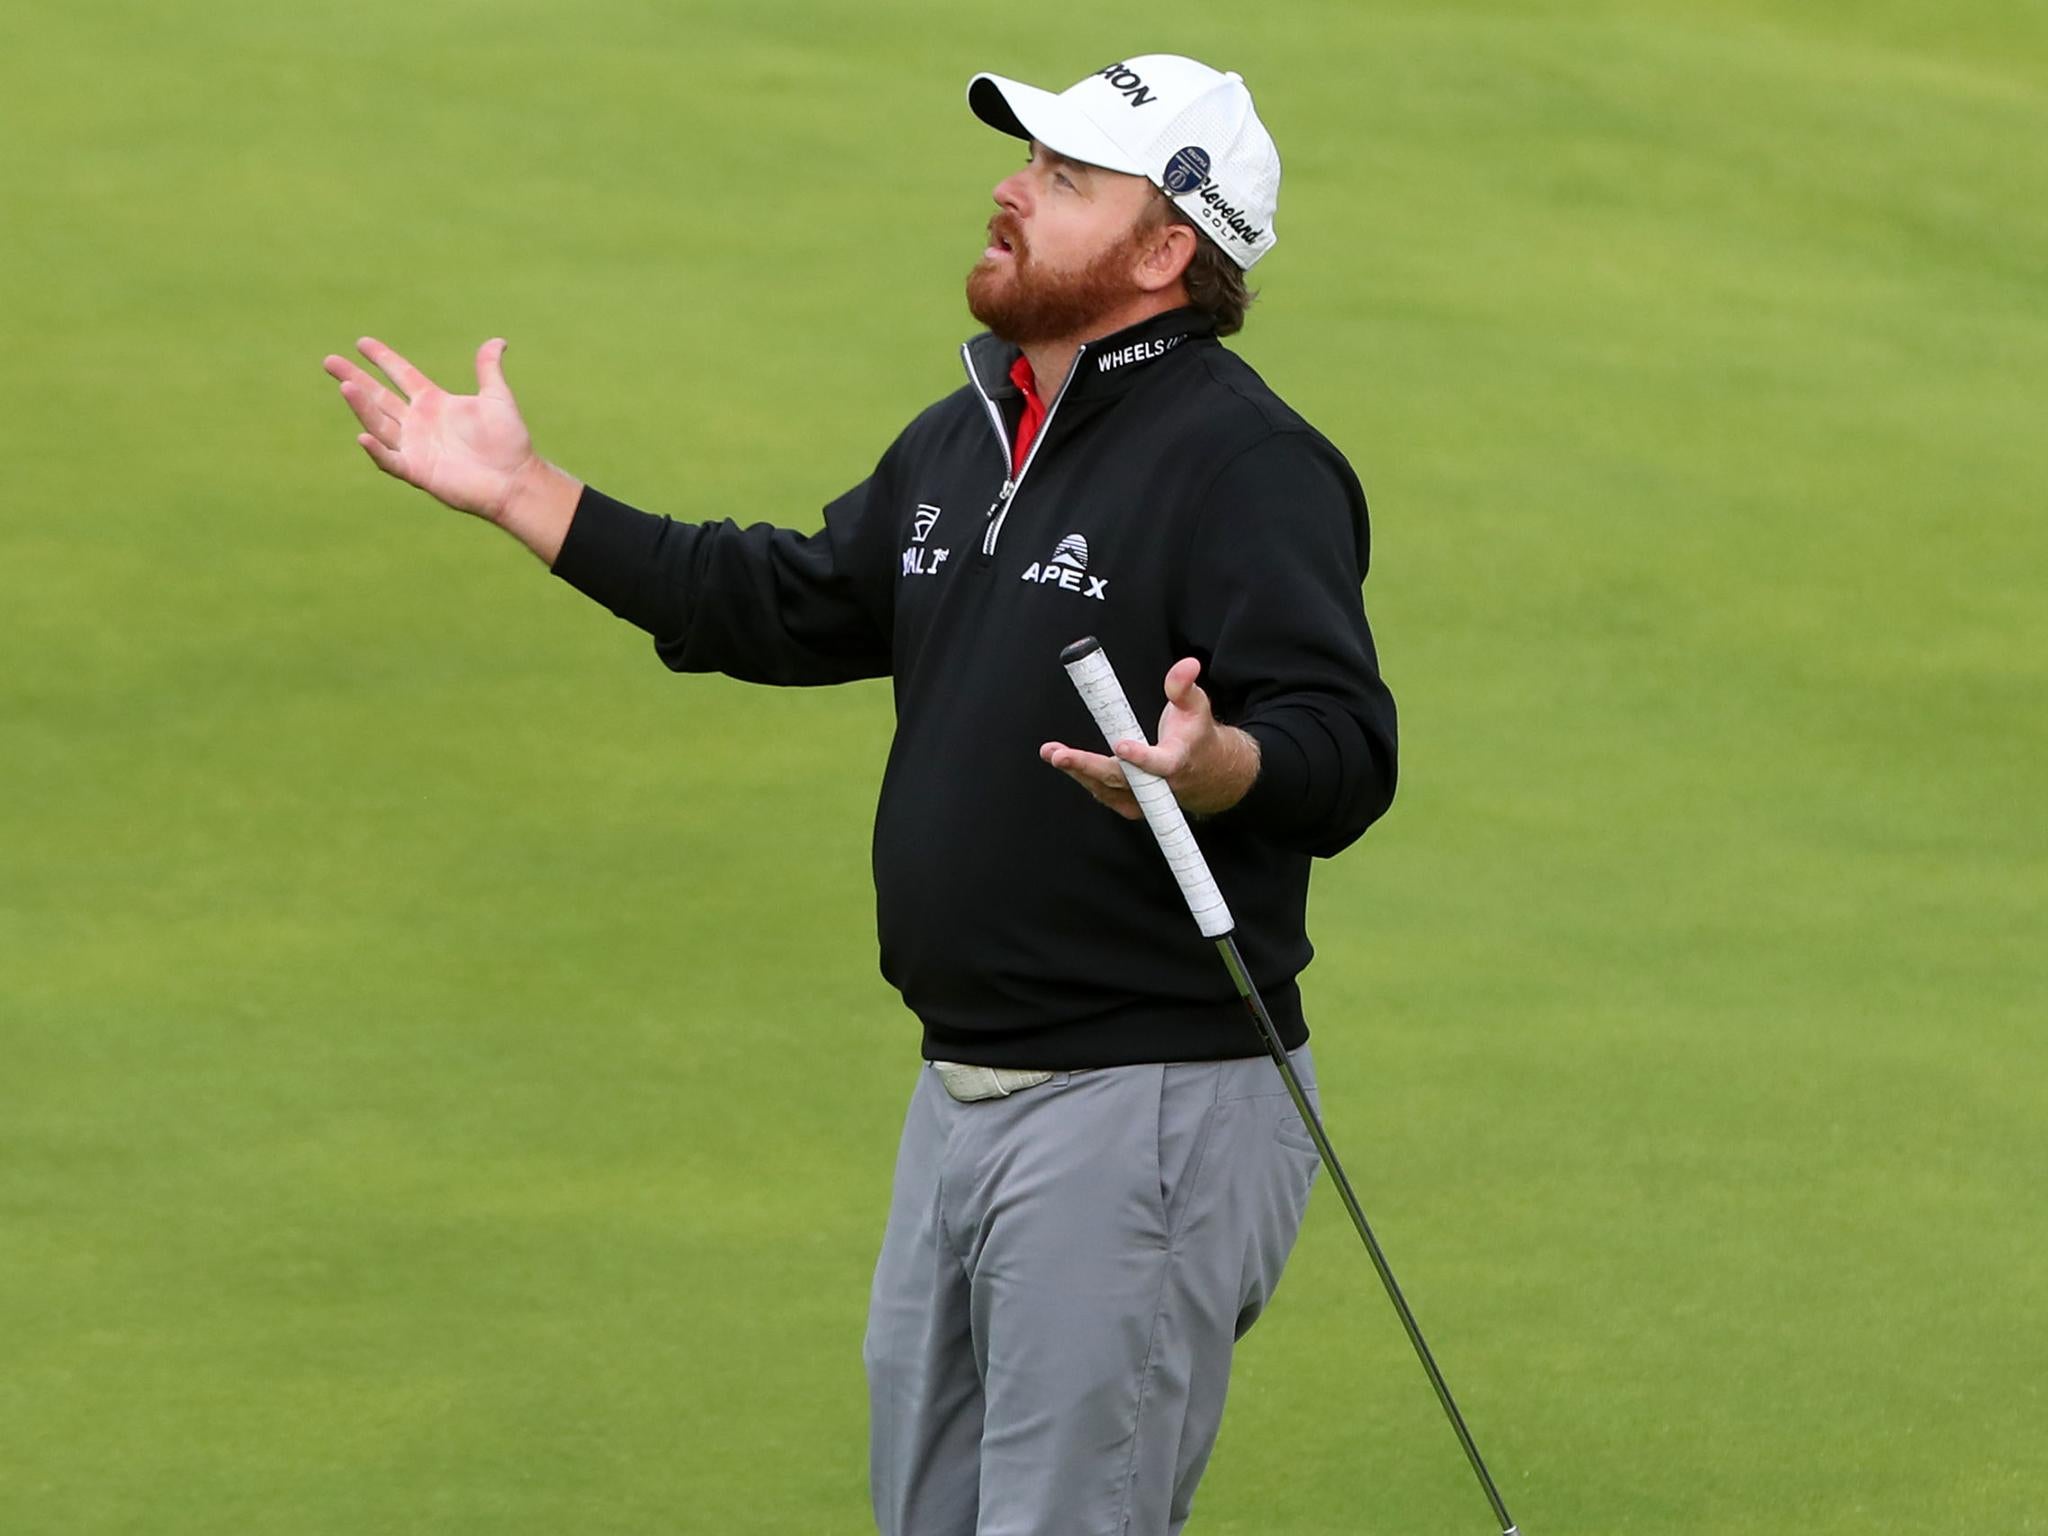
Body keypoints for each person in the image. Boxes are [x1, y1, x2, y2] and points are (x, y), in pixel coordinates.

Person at [322, 52, 1397, 1536]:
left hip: (1148, 1101)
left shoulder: (1244, 462)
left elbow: (1345, 746)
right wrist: (526, 492)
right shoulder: (973, 434)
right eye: (1027, 162)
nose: (1012, 189)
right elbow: (782, 602)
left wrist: (1221, 768)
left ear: (1165, 251)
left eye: (1067, 177)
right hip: (961, 1090)